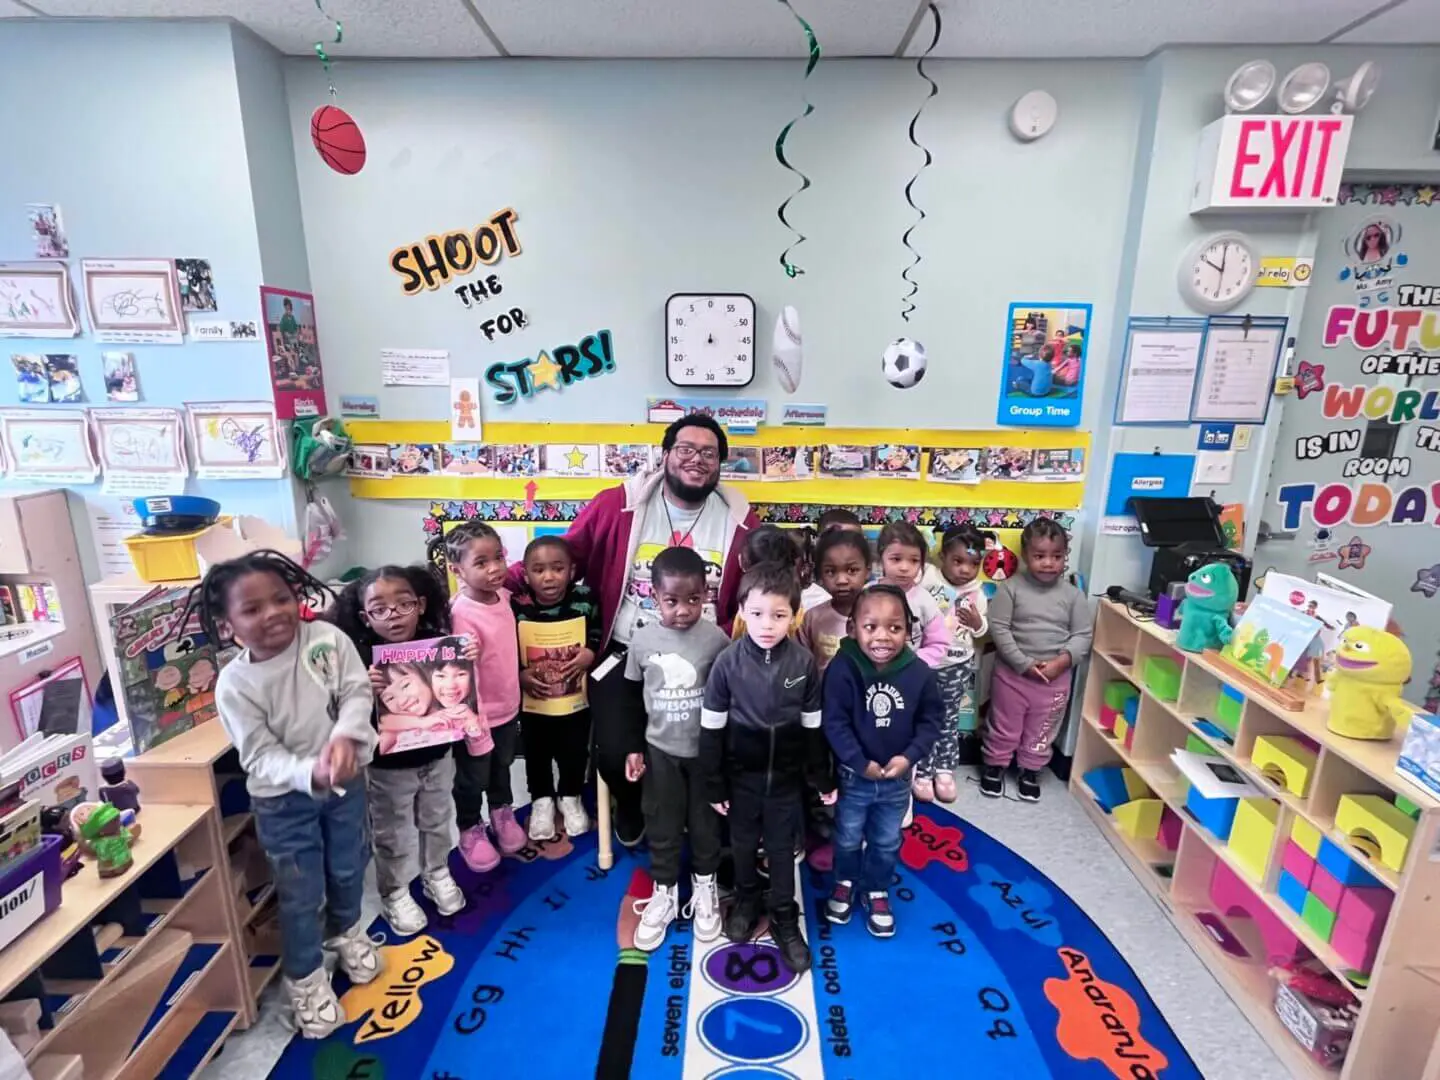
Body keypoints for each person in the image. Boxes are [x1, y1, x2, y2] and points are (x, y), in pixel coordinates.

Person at [511, 414, 759, 848]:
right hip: (623, 650)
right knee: (611, 748)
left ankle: (699, 810)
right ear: (664, 456)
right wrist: (495, 587)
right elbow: (561, 558)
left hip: (705, 655)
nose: (696, 460)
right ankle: (634, 802)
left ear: (720, 463)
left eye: (708, 453)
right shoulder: (618, 505)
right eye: (685, 449)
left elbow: (760, 586)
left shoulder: (738, 519)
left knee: (722, 743)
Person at [198, 551, 381, 1039]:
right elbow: (257, 755)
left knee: (349, 865)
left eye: (281, 598)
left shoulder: (327, 639)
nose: (273, 613)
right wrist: (310, 772)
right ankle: (304, 978)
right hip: (283, 800)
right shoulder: (236, 683)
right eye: (252, 609)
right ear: (227, 624)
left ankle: (347, 932)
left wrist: (345, 737)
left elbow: (357, 694)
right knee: (301, 894)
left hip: (347, 782)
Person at [700, 563, 832, 974]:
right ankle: (745, 899)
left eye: (779, 615)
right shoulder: (726, 663)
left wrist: (820, 776)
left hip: (786, 782)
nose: (767, 625)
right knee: (741, 847)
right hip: (741, 780)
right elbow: (711, 731)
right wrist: (714, 781)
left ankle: (782, 914)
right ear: (741, 611)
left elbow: (813, 729)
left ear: (794, 615)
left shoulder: (804, 664)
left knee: (780, 850)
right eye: (756, 614)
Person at [327, 565, 471, 936]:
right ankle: (394, 891)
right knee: (393, 832)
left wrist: (472, 651)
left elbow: (458, 686)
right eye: (380, 608)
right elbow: (337, 710)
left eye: (403, 604)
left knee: (438, 820)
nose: (393, 615)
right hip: (387, 767)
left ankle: (436, 872)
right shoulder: (358, 656)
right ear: (364, 616)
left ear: (421, 605)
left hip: (438, 756)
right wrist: (364, 688)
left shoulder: (438, 643)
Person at [623, 547, 731, 951]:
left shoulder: (716, 639)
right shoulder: (643, 640)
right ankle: (665, 891)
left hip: (704, 753)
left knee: (705, 826)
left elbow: (727, 697)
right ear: (653, 596)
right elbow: (633, 698)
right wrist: (635, 747)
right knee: (664, 823)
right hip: (660, 752)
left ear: (706, 595)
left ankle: (706, 888)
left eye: (693, 600)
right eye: (671, 601)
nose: (683, 610)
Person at [822, 584, 943, 937]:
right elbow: (834, 721)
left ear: (909, 630)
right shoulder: (843, 668)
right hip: (854, 776)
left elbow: (930, 721)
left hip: (897, 779)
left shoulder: (918, 672)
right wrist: (859, 761)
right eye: (870, 626)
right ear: (852, 628)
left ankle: (876, 888)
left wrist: (909, 758)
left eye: (895, 627)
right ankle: (844, 881)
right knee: (846, 836)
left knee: (887, 840)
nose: (882, 637)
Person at [983, 519, 1092, 802]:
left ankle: (1030, 769)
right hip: (1013, 676)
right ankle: (995, 765)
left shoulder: (1073, 595)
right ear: (1025, 555)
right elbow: (999, 628)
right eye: (1039, 556)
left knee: (1043, 727)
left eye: (1056, 556)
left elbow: (1082, 634)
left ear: (1065, 555)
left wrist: (1063, 661)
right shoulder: (1010, 589)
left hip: (1055, 678)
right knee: (1005, 722)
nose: (1048, 563)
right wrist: (1022, 663)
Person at [446, 521, 525, 865]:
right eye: (481, 562)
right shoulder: (460, 613)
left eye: (499, 557)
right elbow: (457, 672)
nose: (495, 568)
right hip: (476, 717)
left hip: (507, 708)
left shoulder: (505, 597)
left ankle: (501, 811)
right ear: (456, 570)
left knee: (502, 766)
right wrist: (471, 720)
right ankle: (469, 826)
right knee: (472, 775)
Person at [512, 535, 599, 842]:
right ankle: (542, 800)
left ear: (572, 570)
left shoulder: (585, 597)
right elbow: (506, 648)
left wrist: (590, 652)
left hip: (575, 698)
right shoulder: (517, 604)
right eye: (539, 570)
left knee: (574, 750)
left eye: (558, 568)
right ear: (525, 574)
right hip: (534, 700)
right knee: (536, 751)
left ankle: (570, 796)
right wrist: (520, 675)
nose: (548, 576)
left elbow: (600, 631)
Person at [915, 525, 989, 802]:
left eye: (973, 564)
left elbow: (982, 632)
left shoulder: (977, 593)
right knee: (921, 718)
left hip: (956, 665)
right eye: (958, 561)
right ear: (943, 556)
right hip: (925, 663)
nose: (965, 570)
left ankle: (944, 770)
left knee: (948, 719)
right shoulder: (929, 578)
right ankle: (922, 770)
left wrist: (978, 623)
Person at [874, 522, 949, 667]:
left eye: (914, 561)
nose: (904, 567)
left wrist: (912, 661)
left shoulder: (925, 601)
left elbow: (938, 643)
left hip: (910, 671)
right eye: (896, 559)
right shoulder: (867, 594)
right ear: (880, 559)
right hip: (871, 672)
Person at [798, 529, 872, 675]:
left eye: (852, 570)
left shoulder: (879, 615)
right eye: (831, 572)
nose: (841, 580)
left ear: (867, 571)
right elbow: (801, 665)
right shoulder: (813, 618)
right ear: (820, 575)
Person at [731, 525, 806, 639]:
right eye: (757, 614)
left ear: (743, 563)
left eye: (779, 615)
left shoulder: (747, 608)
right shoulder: (800, 609)